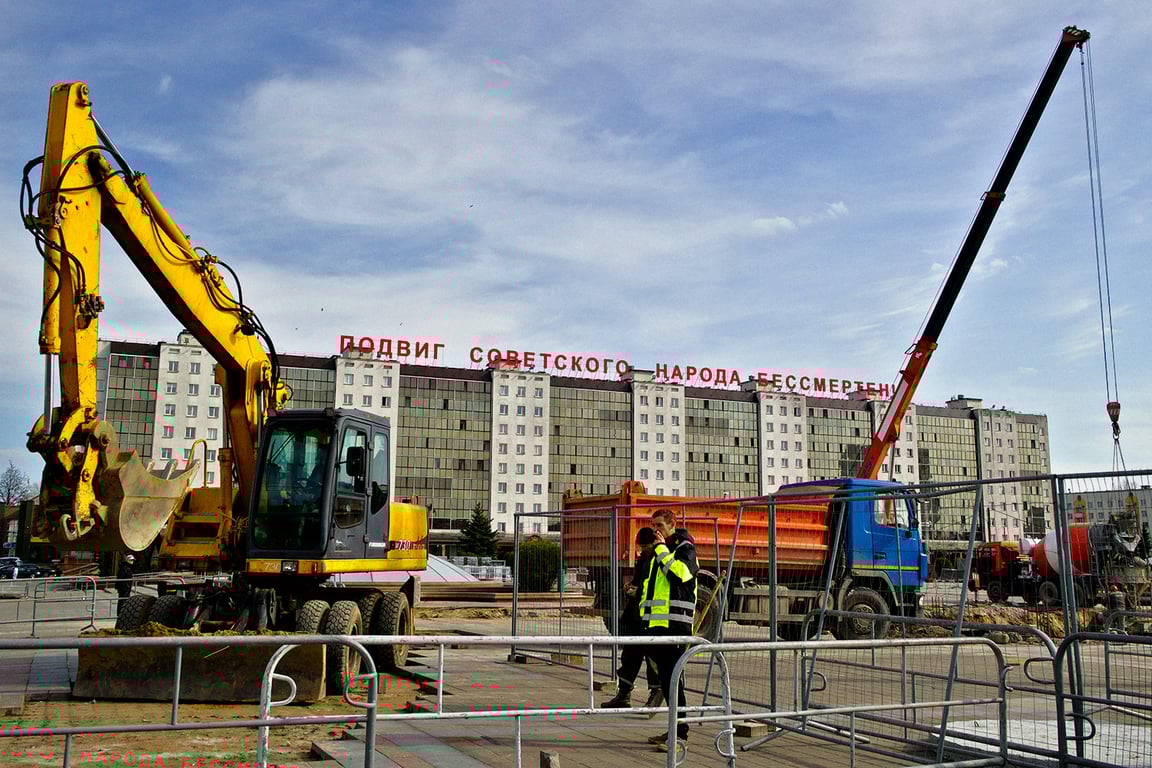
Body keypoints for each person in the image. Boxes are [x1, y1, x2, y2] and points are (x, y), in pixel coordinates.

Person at [641, 508, 698, 751]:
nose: (656, 531)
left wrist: (662, 550)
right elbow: (652, 588)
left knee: (674, 682)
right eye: (654, 525)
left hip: (676, 625)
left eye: (660, 526)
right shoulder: (659, 551)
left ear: (672, 524)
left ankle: (681, 735)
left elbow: (680, 574)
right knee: (666, 680)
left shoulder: (685, 548)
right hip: (659, 624)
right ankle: (674, 731)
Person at [601, 527, 663, 710]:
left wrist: (639, 592)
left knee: (653, 659)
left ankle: (656, 693)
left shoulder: (660, 559)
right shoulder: (644, 559)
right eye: (641, 546)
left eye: (645, 546)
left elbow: (657, 588)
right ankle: (624, 693)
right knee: (629, 656)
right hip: (636, 616)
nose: (642, 549)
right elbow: (641, 582)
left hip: (652, 618)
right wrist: (631, 590)